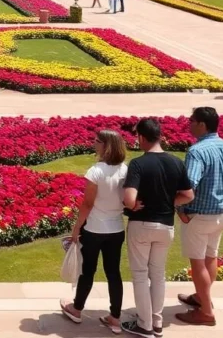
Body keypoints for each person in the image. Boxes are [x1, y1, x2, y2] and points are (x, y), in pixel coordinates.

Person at [121, 118, 194, 337]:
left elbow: (128, 198)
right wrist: (170, 201)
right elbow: (188, 195)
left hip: (142, 225)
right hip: (166, 226)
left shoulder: (138, 163)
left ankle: (144, 323)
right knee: (158, 274)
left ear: (142, 137)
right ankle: (156, 320)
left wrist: (133, 205)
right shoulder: (175, 161)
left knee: (141, 275)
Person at [176, 107, 223, 327]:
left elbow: (189, 187)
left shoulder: (197, 151)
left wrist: (179, 209)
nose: (188, 123)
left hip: (199, 216)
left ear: (202, 124)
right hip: (222, 215)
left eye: (191, 120)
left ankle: (206, 311)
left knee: (198, 264)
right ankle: (202, 297)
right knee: (210, 258)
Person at [60, 130, 127, 334]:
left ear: (105, 146)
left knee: (87, 270)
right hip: (116, 228)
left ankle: (77, 308)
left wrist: (76, 227)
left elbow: (87, 203)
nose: (93, 144)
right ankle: (115, 317)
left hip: (95, 228)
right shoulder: (125, 169)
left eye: (97, 141)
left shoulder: (96, 171)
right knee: (113, 272)